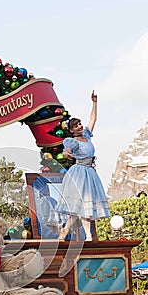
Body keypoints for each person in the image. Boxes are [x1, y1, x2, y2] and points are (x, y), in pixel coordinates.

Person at [55, 91, 110, 241]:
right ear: (71, 130)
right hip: (79, 173)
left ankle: (71, 232)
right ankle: (88, 236)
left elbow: (93, 119)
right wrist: (67, 154)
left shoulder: (86, 135)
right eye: (76, 125)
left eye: (79, 124)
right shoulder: (72, 141)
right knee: (80, 206)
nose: (80, 126)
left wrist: (94, 103)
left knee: (86, 207)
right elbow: (67, 150)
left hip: (90, 172)